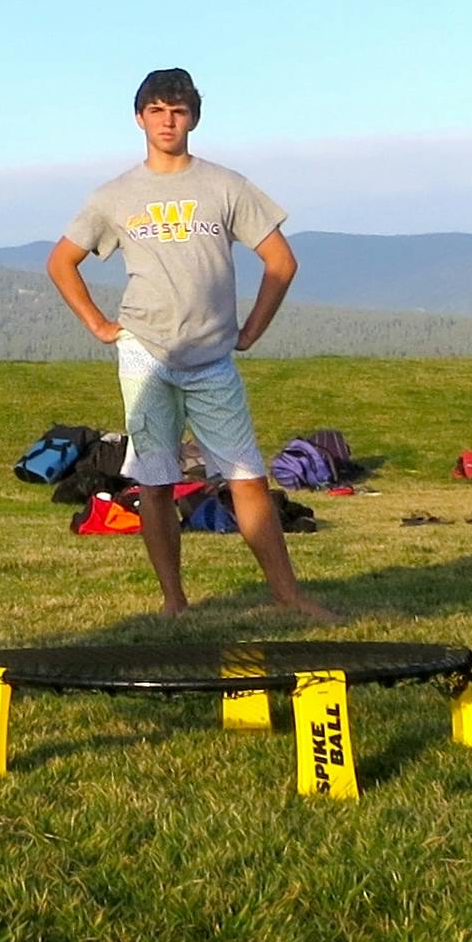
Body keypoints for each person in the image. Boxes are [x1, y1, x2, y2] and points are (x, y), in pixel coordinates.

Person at [43, 70, 332, 621]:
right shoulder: (115, 195)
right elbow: (61, 262)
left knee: (247, 476)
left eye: (177, 111)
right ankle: (174, 602)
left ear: (193, 118)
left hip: (213, 357)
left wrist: (252, 330)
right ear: (139, 118)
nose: (167, 121)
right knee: (154, 480)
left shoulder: (226, 186)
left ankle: (289, 595)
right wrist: (101, 325)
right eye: (156, 110)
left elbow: (281, 261)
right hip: (144, 352)